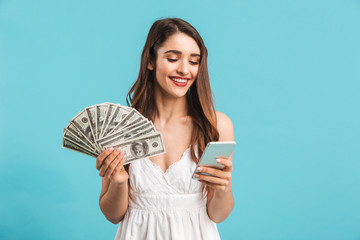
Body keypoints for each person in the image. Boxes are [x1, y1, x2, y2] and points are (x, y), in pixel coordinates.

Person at [95, 18, 235, 240]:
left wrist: (223, 188)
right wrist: (119, 182)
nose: (184, 70)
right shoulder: (120, 126)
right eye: (173, 58)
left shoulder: (217, 125)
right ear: (151, 60)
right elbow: (113, 215)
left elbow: (217, 215)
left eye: (194, 61)